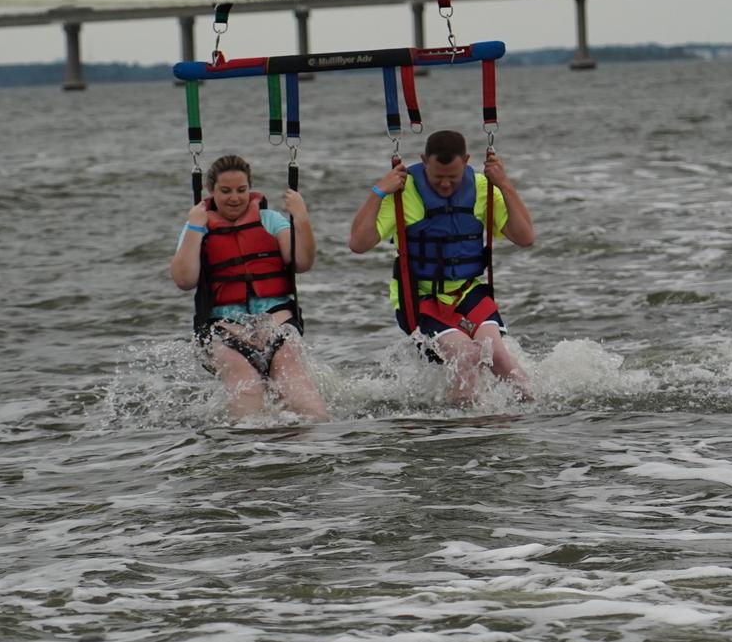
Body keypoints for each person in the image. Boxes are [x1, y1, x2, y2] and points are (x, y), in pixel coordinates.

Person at [348, 129, 535, 404]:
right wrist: (378, 192)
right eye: (438, 178)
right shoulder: (402, 192)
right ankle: (462, 432)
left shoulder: (483, 187)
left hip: (468, 292)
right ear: (424, 161)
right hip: (421, 298)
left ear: (467, 161)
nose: (446, 185)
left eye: (453, 177)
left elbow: (525, 237)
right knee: (466, 355)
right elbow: (359, 243)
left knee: (497, 354)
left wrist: (504, 184)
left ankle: (539, 416)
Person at [171, 154, 328, 422]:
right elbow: (184, 280)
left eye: (241, 190)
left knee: (297, 385)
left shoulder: (270, 220)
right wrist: (195, 226)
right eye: (226, 191)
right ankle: (250, 453)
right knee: (245, 383)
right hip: (224, 328)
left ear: (250, 189)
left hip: (276, 321)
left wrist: (301, 218)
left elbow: (302, 262)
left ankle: (314, 444)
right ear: (211, 190)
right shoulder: (198, 226)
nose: (235, 198)